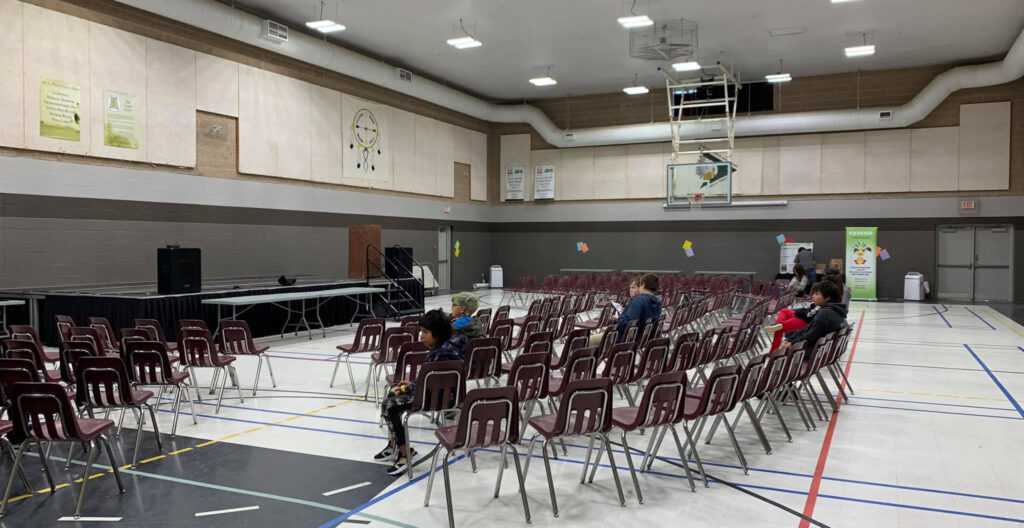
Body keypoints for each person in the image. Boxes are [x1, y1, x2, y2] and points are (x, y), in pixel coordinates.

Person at [377, 309, 467, 475]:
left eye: (425, 332)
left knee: (389, 405)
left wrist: (406, 388)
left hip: (438, 398)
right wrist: (412, 384)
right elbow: (433, 380)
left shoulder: (443, 354)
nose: (421, 336)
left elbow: (429, 386)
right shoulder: (451, 345)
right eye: (421, 331)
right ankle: (394, 445)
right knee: (392, 394)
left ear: (438, 333)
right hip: (437, 392)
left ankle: (406, 454)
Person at [773, 281, 848, 358]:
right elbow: (807, 328)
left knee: (780, 355)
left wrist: (791, 343)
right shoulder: (834, 310)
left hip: (817, 353)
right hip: (824, 350)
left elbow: (810, 336)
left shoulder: (825, 314)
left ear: (828, 297)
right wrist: (790, 340)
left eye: (817, 294)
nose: (813, 296)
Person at [590, 274, 662, 346]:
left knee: (587, 341)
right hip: (643, 338)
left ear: (643, 284)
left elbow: (628, 323)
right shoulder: (657, 303)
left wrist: (616, 320)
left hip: (626, 338)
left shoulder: (639, 301)